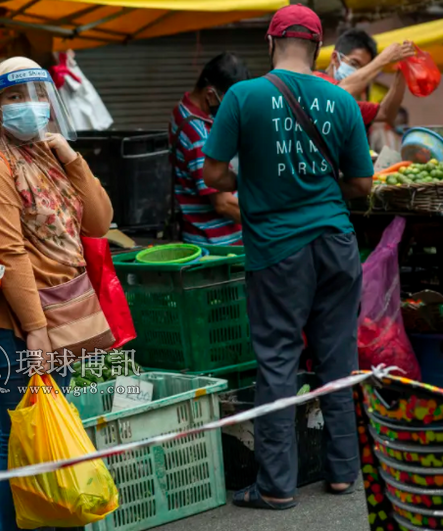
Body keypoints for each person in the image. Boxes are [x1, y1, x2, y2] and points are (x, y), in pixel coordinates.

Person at [201, 5, 374, 510]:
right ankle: (343, 472)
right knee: (337, 358)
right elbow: (362, 184)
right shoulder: (341, 100)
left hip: (278, 250)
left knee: (278, 360)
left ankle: (277, 485)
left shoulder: (243, 96)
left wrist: (255, 181)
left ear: (270, 41)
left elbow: (212, 176)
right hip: (337, 245)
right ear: (318, 47)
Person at [0, 56, 113, 531]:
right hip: (20, 326)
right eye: (14, 97)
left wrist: (70, 154)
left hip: (58, 312)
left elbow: (100, 221)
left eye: (37, 93)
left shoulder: (46, 154)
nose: (31, 105)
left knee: (14, 435)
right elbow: (9, 253)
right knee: (18, 439)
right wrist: (38, 332)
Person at [169, 52, 249, 245]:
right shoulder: (199, 136)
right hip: (218, 245)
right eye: (231, 102)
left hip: (202, 232)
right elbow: (223, 204)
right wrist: (269, 222)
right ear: (210, 94)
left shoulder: (182, 109)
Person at [317, 28, 415, 128]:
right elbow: (336, 96)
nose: (359, 72)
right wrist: (382, 60)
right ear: (335, 58)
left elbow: (385, 113)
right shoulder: (313, 80)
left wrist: (402, 70)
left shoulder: (348, 107)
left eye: (364, 68)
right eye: (354, 63)